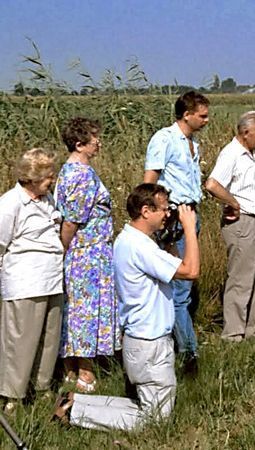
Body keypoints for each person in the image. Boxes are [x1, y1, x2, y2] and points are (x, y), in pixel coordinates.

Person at [54, 183, 200, 431]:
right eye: (163, 209)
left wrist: (170, 240)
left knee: (143, 405)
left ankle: (75, 402)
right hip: (150, 343)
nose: (168, 214)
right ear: (146, 210)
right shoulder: (141, 247)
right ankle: (75, 413)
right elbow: (190, 270)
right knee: (155, 420)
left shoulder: (129, 239)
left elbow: (171, 264)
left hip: (139, 340)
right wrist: (189, 229)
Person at [143, 91, 209, 374]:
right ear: (187, 114)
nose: (207, 120)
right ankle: (188, 352)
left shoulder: (192, 143)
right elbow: (149, 181)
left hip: (190, 213)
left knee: (186, 285)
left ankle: (181, 342)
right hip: (173, 218)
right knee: (180, 284)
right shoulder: (164, 139)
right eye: (202, 115)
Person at [55, 118, 120, 394]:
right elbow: (72, 221)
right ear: (80, 144)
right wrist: (64, 248)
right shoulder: (81, 174)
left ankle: (70, 367)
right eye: (95, 139)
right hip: (87, 254)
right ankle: (85, 371)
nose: (99, 143)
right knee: (85, 311)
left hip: (88, 251)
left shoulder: (70, 170)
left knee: (76, 308)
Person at [0, 148, 63, 411]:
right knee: (20, 341)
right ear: (32, 178)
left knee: (49, 338)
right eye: (48, 176)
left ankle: (42, 387)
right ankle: (12, 396)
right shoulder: (10, 203)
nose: (52, 181)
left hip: (52, 277)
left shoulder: (47, 200)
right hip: (25, 280)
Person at [205, 111, 255, 342]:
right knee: (241, 279)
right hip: (243, 223)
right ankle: (233, 334)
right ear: (245, 132)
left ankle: (254, 329)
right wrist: (232, 202)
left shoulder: (251, 154)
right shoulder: (231, 154)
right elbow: (212, 184)